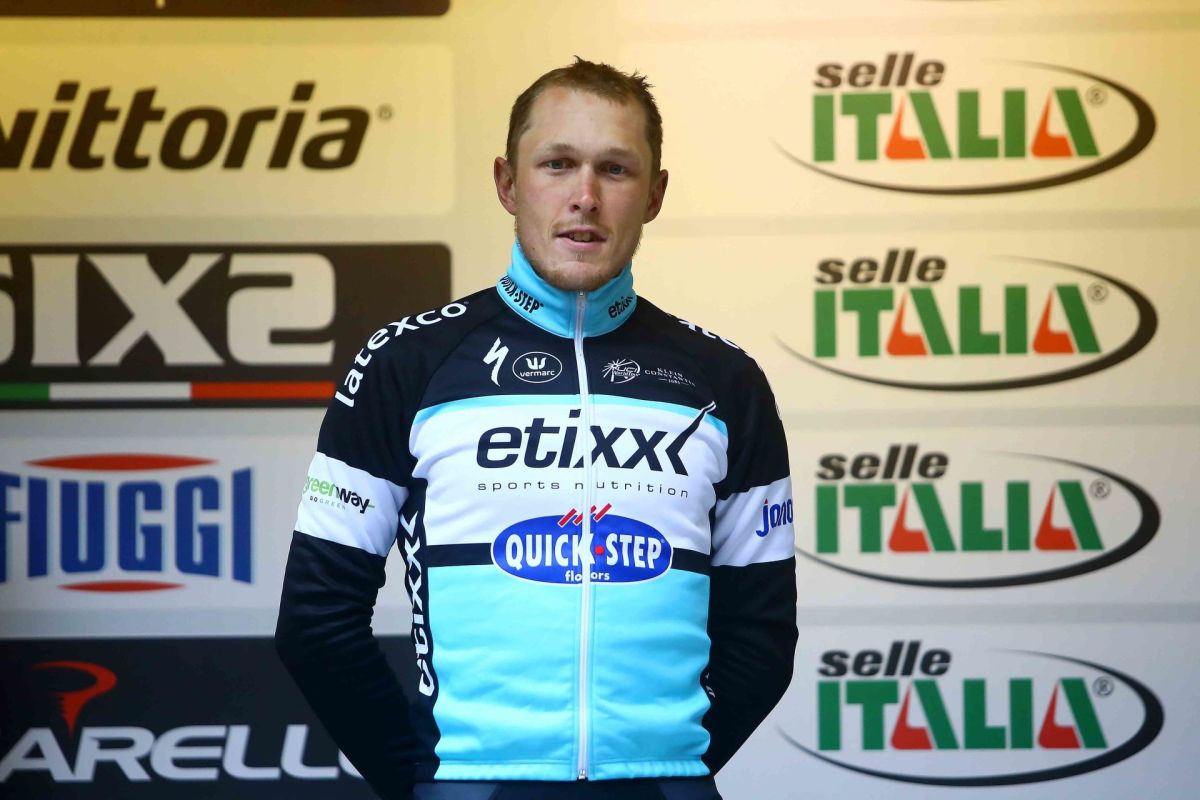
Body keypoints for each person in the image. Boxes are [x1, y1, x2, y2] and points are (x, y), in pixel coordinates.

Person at [276, 58, 797, 800]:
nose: (585, 197)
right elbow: (316, 620)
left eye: (615, 169)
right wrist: (423, 781)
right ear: (507, 183)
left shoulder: (726, 381)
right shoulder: (406, 363)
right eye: (557, 164)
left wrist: (671, 764)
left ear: (654, 194)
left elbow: (763, 634)